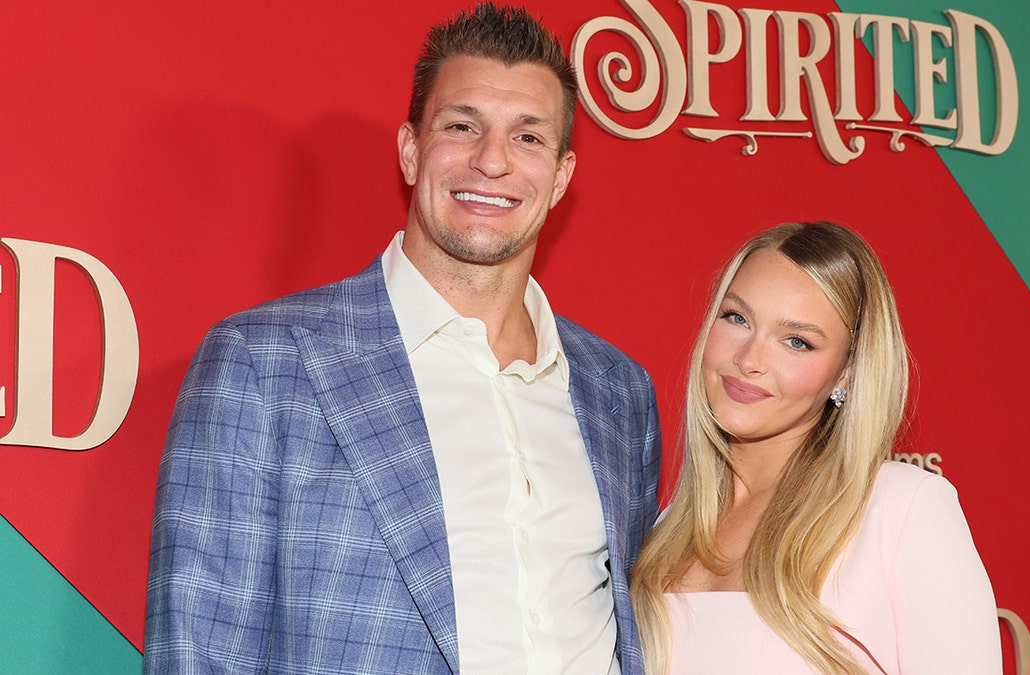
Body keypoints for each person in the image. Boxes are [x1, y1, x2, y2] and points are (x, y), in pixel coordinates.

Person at [144, 4, 661, 673]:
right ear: (412, 151)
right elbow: (199, 651)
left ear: (560, 177)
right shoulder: (266, 363)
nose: (492, 160)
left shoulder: (618, 390)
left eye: (528, 137)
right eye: (462, 126)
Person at [631, 222, 1001, 674]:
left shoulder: (899, 509)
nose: (749, 360)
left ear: (846, 372)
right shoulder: (662, 532)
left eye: (797, 342)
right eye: (737, 318)